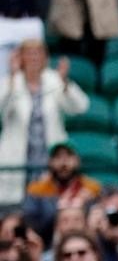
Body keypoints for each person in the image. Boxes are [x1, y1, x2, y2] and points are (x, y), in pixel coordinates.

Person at [0, 40, 88, 204]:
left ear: (45, 57)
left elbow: (80, 107)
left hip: (49, 160)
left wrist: (65, 82)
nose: (34, 58)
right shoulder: (9, 81)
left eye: (38, 53)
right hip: (18, 160)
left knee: (51, 206)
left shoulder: (54, 80)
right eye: (29, 53)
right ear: (20, 58)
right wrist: (12, 80)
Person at [22, 140, 101, 241]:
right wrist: (59, 206)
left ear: (77, 160)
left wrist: (85, 205)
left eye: (69, 156)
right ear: (50, 162)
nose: (63, 163)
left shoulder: (92, 187)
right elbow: (31, 225)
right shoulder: (36, 190)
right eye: (58, 157)